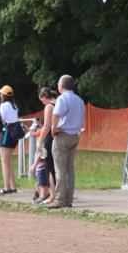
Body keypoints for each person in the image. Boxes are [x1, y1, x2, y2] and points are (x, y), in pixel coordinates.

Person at [49, 74, 85, 209]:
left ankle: (60, 199)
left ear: (61, 86)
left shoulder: (62, 98)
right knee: (70, 169)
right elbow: (81, 121)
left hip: (62, 136)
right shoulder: (79, 100)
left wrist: (53, 130)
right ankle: (69, 199)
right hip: (75, 135)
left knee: (60, 169)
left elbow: (56, 116)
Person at [33, 87, 58, 204]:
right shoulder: (58, 103)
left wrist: (40, 141)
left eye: (41, 100)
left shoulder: (48, 107)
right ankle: (57, 193)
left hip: (49, 139)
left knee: (49, 168)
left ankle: (51, 194)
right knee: (58, 168)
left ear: (44, 97)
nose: (42, 102)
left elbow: (47, 125)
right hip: (58, 137)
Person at [0, 85, 21, 194]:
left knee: (4, 162)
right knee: (8, 162)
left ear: (3, 95)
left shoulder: (3, 106)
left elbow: (1, 120)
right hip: (14, 134)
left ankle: (7, 187)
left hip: (6, 132)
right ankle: (13, 186)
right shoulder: (14, 106)